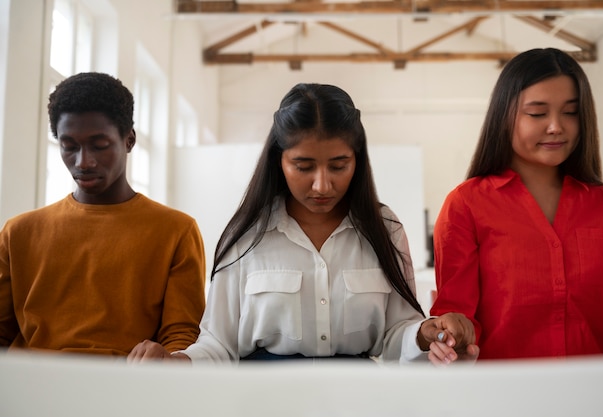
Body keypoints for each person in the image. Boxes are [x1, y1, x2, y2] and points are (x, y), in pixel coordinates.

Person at [129, 83, 478, 365]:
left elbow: (395, 333)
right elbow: (219, 345)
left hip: (356, 401)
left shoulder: (384, 229)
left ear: (358, 160)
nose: (322, 185)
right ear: (278, 160)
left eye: (339, 165)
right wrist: (175, 362)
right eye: (303, 165)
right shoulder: (246, 235)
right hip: (261, 402)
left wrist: (425, 333)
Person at [430, 48, 603, 360]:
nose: (556, 127)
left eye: (570, 112)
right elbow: (458, 315)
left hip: (600, 392)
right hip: (506, 394)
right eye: (537, 113)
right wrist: (450, 337)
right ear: (504, 116)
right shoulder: (466, 204)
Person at [0, 72, 206, 357]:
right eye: (69, 146)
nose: (84, 162)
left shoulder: (176, 231)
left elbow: (182, 335)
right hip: (32, 388)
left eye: (99, 145)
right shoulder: (17, 233)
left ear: (129, 140)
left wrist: (165, 360)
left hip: (125, 389)